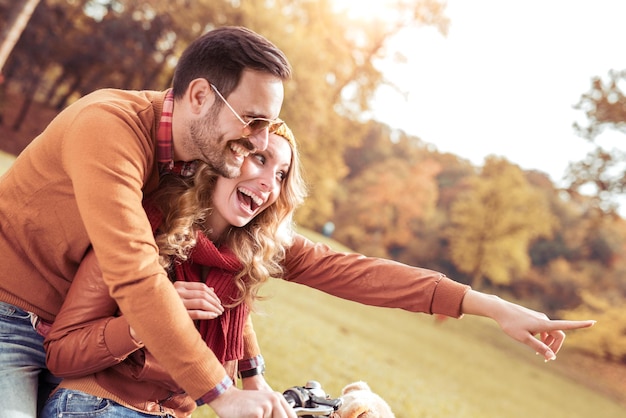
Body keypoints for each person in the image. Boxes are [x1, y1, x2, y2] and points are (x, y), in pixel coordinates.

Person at [0, 24, 594, 418]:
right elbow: (135, 275)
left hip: (85, 345)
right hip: (11, 319)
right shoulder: (112, 133)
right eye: (254, 127)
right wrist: (220, 390)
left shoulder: (192, 171)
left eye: (274, 153)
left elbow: (352, 272)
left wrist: (494, 307)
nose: (257, 148)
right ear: (202, 98)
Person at [41, 123, 304, 417]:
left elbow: (234, 318)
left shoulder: (234, 267)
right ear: (224, 157)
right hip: (96, 405)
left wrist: (253, 374)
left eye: (281, 174)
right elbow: (61, 354)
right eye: (260, 158)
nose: (270, 183)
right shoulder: (141, 229)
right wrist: (149, 315)